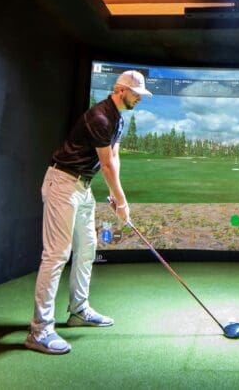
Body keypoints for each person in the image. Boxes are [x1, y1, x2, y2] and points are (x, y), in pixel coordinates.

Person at [26, 69, 152, 354]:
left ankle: (78, 310)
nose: (139, 99)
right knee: (57, 253)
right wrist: (122, 202)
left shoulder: (117, 119)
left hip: (82, 186)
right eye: (136, 94)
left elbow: (114, 159)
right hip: (62, 182)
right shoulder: (100, 117)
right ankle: (40, 330)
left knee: (87, 248)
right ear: (121, 90)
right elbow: (105, 165)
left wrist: (116, 195)